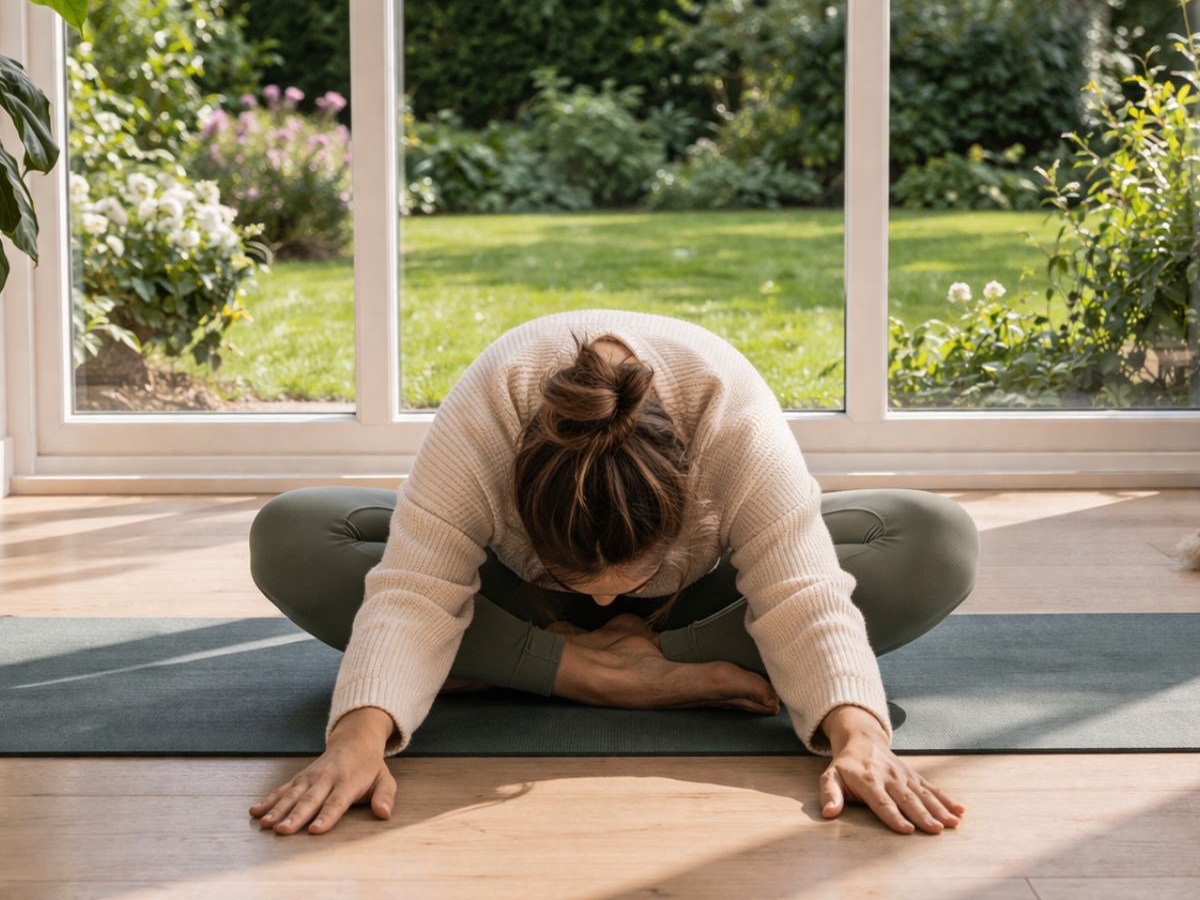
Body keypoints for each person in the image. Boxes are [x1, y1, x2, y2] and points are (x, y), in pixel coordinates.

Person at [248, 308, 979, 838]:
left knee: (934, 539)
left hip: (693, 607)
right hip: (521, 605)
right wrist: (355, 739)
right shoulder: (492, 401)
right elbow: (416, 590)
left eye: (626, 576)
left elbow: (802, 592)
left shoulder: (728, 408)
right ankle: (600, 672)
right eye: (582, 575)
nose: (600, 595)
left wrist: (859, 737)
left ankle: (541, 667)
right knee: (296, 532)